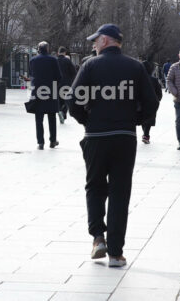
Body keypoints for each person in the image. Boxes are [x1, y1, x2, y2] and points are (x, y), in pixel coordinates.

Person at [68, 23, 158, 268]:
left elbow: (73, 101)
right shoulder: (135, 67)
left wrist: (88, 121)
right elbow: (152, 102)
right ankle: (116, 253)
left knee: (95, 186)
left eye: (95, 41)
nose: (93, 45)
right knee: (120, 192)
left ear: (105, 41)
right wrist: (134, 121)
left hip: (96, 137)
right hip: (124, 137)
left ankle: (98, 238)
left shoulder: (90, 66)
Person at [29, 41, 62, 149]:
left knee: (39, 118)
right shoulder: (53, 59)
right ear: (47, 49)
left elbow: (31, 75)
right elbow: (58, 76)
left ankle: (40, 142)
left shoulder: (33, 60)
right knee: (52, 116)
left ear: (38, 49)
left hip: (37, 91)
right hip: (51, 91)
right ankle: (52, 140)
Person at [141, 60, 163, 144]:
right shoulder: (154, 80)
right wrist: (157, 100)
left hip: (141, 103)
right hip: (151, 103)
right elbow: (159, 92)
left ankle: (145, 135)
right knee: (149, 120)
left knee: (143, 119)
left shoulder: (138, 79)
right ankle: (146, 135)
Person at [57, 46, 77, 124]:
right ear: (65, 53)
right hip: (67, 84)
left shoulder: (55, 60)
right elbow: (74, 72)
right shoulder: (67, 61)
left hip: (56, 84)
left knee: (58, 99)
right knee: (66, 99)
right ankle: (63, 113)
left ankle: (59, 110)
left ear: (58, 52)